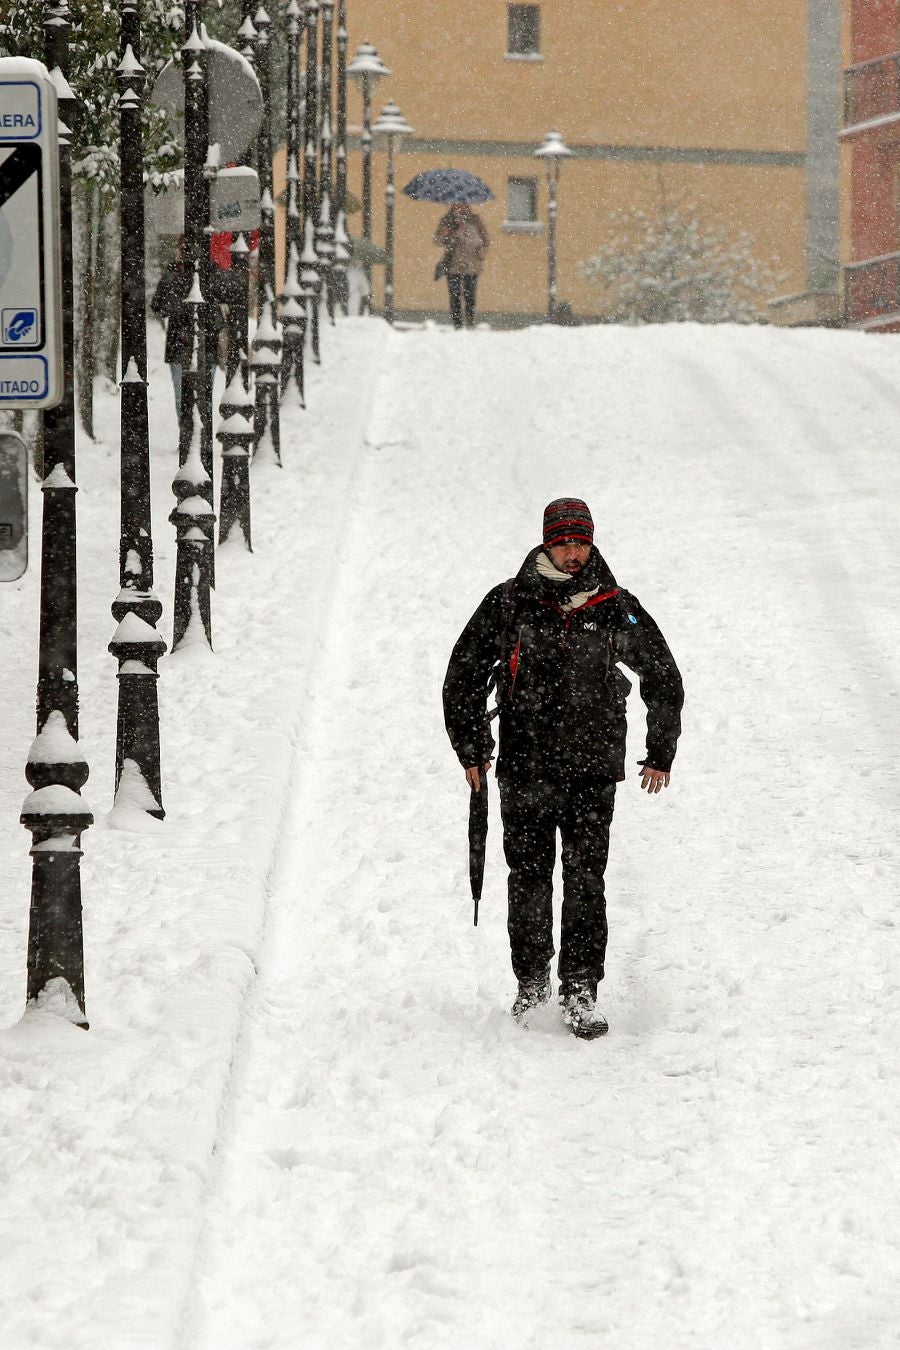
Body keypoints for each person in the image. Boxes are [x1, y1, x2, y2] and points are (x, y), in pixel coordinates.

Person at [443, 498, 684, 1040]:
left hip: (592, 771)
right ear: (547, 542)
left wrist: (660, 750)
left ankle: (580, 990)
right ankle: (531, 986)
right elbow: (463, 674)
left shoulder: (614, 605)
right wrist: (472, 748)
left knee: (585, 881)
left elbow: (663, 675)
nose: (573, 552)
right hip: (525, 769)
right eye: (564, 542)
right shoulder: (509, 603)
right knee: (528, 880)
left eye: (581, 542)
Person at [151, 239, 227, 419]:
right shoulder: (203, 271)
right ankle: (196, 437)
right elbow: (159, 306)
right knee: (201, 396)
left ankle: (189, 436)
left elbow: (159, 306)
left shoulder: (181, 272)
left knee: (184, 396)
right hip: (199, 343)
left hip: (183, 343)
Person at [434, 202, 490, 329]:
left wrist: (480, 253)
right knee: (455, 297)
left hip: (472, 264)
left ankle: (470, 322)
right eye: (456, 204)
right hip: (453, 264)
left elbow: (486, 241)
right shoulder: (447, 221)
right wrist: (448, 233)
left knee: (470, 296)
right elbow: (438, 241)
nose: (459, 207)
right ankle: (457, 325)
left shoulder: (475, 220)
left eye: (462, 204)